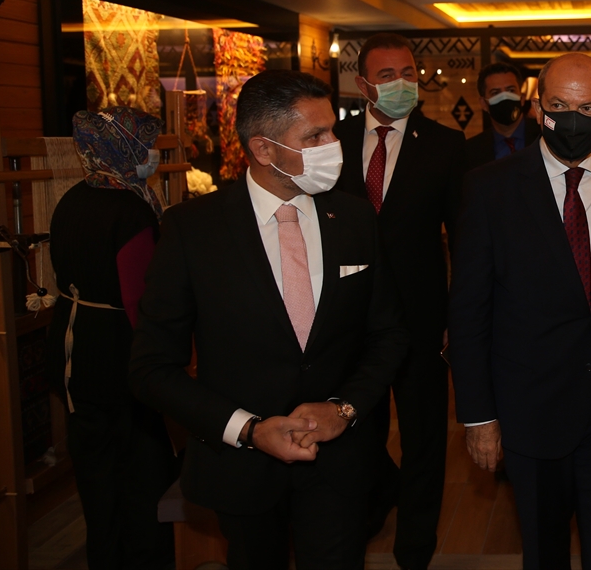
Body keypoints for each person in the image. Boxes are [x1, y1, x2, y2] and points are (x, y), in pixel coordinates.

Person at [130, 70, 409, 570]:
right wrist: (249, 430)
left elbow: (387, 334)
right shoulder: (192, 231)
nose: (333, 145)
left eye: (331, 130)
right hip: (241, 468)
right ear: (263, 149)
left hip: (340, 465)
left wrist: (343, 408)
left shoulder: (354, 218)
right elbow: (152, 368)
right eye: (314, 136)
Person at [448, 53, 591, 570]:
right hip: (531, 411)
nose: (572, 119)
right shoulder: (490, 186)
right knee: (544, 550)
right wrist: (479, 416)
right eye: (558, 105)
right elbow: (468, 310)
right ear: (538, 108)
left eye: (587, 108)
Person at [332, 32, 468, 569]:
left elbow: (464, 239)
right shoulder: (332, 141)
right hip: (347, 319)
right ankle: (363, 517)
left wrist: (459, 316)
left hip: (421, 320)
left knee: (424, 438)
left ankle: (415, 549)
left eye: (408, 73)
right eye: (387, 76)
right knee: (353, 433)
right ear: (363, 84)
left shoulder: (445, 145)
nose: (401, 84)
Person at [45, 107, 177, 570]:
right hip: (119, 357)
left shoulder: (71, 199)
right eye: (144, 146)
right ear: (123, 149)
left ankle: (104, 556)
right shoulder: (130, 210)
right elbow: (139, 298)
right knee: (141, 473)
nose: (150, 155)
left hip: (73, 348)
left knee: (95, 475)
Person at [466, 61, 540, 168]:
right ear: (484, 104)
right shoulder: (471, 150)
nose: (505, 97)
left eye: (511, 90)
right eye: (495, 93)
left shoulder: (545, 135)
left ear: (522, 98)